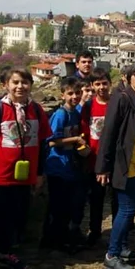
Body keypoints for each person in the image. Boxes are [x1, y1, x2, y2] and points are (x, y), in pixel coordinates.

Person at [0, 68, 51, 269]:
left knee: (15, 217)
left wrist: (39, 173)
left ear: (31, 85)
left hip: (24, 177)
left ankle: (6, 253)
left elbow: (42, 144)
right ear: (6, 85)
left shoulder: (37, 110)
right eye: (15, 82)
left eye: (24, 82)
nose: (20, 87)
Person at [96, 62, 135, 269]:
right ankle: (112, 254)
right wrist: (102, 167)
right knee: (127, 209)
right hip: (124, 163)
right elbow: (108, 133)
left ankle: (121, 247)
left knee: (130, 208)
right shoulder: (121, 98)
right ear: (128, 77)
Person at [41, 77, 87, 252]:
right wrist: (75, 139)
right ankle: (54, 240)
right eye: (70, 93)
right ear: (62, 95)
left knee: (69, 205)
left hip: (70, 166)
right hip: (58, 166)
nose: (74, 96)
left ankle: (63, 238)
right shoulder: (61, 114)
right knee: (58, 206)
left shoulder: (75, 113)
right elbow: (51, 141)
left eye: (77, 93)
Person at [79, 68, 114, 246]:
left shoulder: (116, 103)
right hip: (94, 158)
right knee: (96, 199)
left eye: (104, 83)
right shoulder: (88, 106)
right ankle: (95, 231)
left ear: (110, 84)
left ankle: (117, 232)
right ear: (92, 86)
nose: (101, 87)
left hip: (115, 160)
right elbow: (84, 131)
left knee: (115, 198)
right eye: (97, 84)